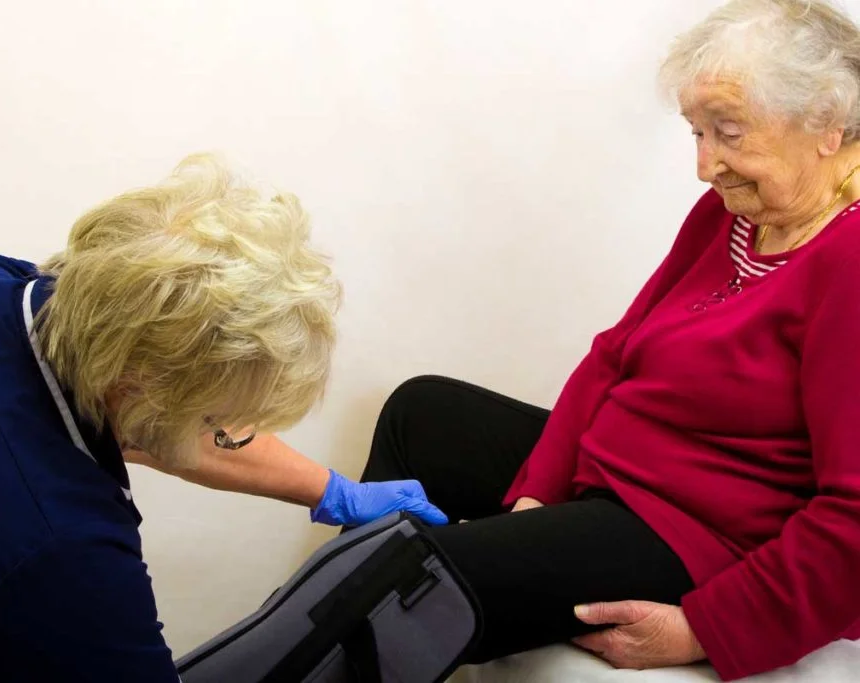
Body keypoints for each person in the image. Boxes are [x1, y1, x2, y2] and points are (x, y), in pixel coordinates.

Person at [358, 1, 860, 680]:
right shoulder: (730, 215)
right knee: (420, 414)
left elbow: (853, 517)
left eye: (729, 133)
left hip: (700, 529)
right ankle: (337, 618)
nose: (706, 165)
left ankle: (330, 636)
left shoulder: (848, 260)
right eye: (697, 133)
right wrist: (534, 498)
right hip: (622, 473)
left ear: (827, 125)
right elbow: (615, 356)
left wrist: (703, 628)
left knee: (413, 583)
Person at [0, 154, 446, 680]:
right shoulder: (67, 555)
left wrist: (335, 492)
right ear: (140, 390)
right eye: (222, 420)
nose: (229, 435)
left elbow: (139, 418)